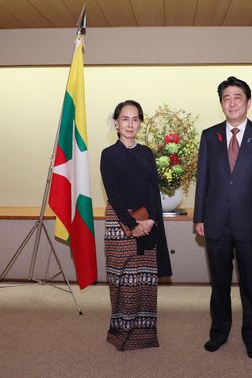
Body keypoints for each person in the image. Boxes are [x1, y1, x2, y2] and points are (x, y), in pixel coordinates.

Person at [193, 76, 252, 358]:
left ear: (248, 102)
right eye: (226, 98)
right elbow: (203, 179)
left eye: (237, 97)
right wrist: (199, 217)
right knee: (219, 283)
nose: (232, 103)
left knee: (250, 283)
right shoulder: (209, 136)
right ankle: (219, 332)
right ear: (221, 103)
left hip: (251, 222)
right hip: (216, 222)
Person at [100, 100, 172, 351]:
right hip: (119, 223)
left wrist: (150, 220)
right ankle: (121, 333)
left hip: (148, 221)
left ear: (140, 123)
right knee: (122, 279)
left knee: (144, 279)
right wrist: (132, 224)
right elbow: (114, 194)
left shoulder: (146, 153)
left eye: (135, 119)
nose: (130, 124)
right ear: (116, 123)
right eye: (125, 119)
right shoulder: (108, 155)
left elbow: (153, 190)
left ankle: (144, 335)